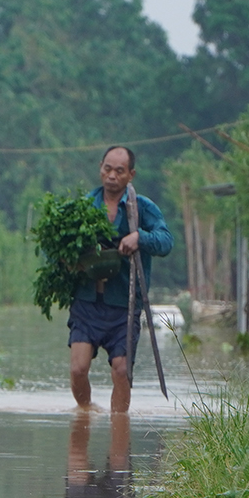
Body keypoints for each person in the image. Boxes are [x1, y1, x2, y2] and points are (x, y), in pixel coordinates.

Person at [68, 146, 173, 412]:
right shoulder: (82, 206)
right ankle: (85, 413)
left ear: (130, 175)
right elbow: (55, 246)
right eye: (107, 169)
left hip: (124, 306)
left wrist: (140, 237)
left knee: (122, 370)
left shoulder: (142, 208)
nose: (112, 176)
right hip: (87, 301)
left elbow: (166, 242)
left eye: (119, 171)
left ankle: (119, 430)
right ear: (100, 168)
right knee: (78, 369)